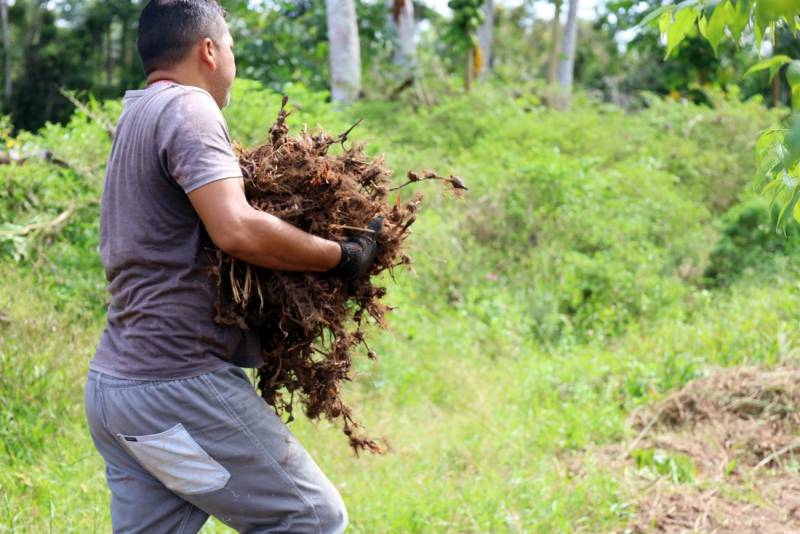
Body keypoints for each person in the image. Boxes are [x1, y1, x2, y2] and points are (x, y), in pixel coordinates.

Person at [83, 1, 381, 532]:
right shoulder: (188, 108)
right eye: (232, 48)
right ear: (209, 50)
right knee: (311, 518)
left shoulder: (137, 115)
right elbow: (236, 228)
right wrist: (342, 257)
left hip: (117, 390)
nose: (233, 63)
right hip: (175, 382)